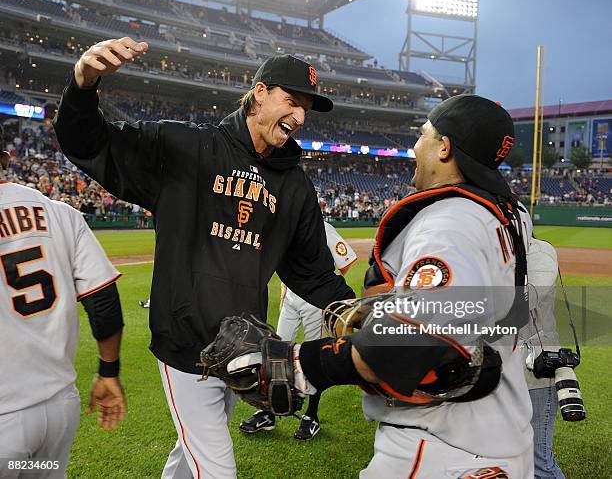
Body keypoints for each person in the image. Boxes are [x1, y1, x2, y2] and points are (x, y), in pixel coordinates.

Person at [52, 36, 354, 478]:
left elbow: (313, 273)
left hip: (244, 348)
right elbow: (88, 142)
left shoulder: (294, 187)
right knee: (216, 469)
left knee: (188, 456)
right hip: (186, 344)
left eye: (307, 108)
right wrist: (83, 83)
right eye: (291, 100)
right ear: (260, 92)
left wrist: (357, 311)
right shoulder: (184, 148)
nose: (300, 116)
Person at [207, 95, 535, 477]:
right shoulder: (511, 214)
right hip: (502, 436)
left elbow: (415, 339)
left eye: (423, 134)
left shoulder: (451, 223)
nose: (415, 145)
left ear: (444, 147)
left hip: (442, 444)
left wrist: (305, 365)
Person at [0, 148, 126, 478]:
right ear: (5, 158)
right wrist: (109, 372)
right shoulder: (60, 212)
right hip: (58, 412)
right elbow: (103, 300)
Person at [240, 221, 357, 439]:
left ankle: (311, 416)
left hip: (316, 301)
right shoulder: (283, 227)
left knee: (315, 359)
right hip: (291, 299)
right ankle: (268, 413)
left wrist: (321, 285)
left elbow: (346, 262)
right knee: (275, 354)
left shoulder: (322, 227)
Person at [520, 238, 566, 478]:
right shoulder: (495, 254)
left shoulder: (540, 251)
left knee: (539, 462)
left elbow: (525, 300)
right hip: (503, 373)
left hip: (536, 373)